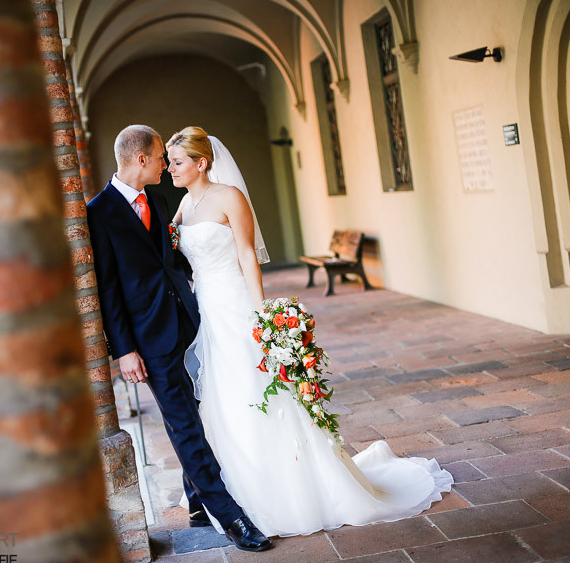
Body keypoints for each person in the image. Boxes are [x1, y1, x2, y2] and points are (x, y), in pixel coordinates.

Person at [168, 126, 454, 537]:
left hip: (235, 304)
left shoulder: (230, 197)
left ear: (202, 163)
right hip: (207, 311)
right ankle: (233, 488)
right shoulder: (184, 204)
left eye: (178, 163)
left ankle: (290, 489)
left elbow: (248, 256)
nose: (172, 169)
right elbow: (172, 246)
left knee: (257, 387)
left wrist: (259, 314)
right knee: (222, 396)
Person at [86, 125, 271, 551]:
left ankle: (194, 500)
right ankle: (231, 516)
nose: (167, 167)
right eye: (161, 159)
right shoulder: (99, 213)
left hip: (192, 322)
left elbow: (174, 261)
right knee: (186, 425)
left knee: (206, 411)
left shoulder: (160, 198)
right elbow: (108, 288)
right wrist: (125, 350)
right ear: (142, 160)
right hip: (149, 340)